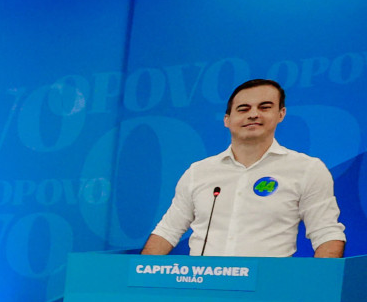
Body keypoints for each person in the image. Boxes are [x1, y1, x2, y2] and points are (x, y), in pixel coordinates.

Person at [143, 78, 344, 258]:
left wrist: (318, 288)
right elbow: (167, 232)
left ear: (281, 114)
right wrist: (140, 279)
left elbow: (326, 233)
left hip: (268, 291)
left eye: (264, 107)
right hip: (201, 289)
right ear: (227, 120)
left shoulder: (307, 169)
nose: (253, 114)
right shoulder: (198, 172)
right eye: (243, 109)